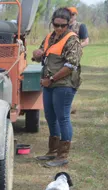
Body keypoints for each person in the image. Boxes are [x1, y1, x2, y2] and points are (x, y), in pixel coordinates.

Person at [32, 7, 83, 167]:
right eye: (56, 24)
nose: (59, 28)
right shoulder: (50, 37)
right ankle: (52, 151)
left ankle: (62, 155)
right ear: (52, 23)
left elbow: (70, 65)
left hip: (64, 85)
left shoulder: (73, 40)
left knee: (63, 117)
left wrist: (51, 79)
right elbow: (42, 54)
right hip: (49, 83)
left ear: (69, 24)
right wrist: (37, 54)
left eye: (63, 25)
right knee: (50, 116)